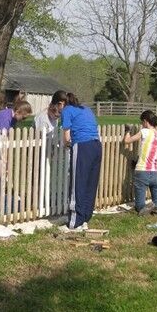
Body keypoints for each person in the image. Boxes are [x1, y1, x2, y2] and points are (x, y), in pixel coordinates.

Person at [60, 93, 102, 230]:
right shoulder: (86, 109)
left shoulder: (67, 110)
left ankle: (74, 222)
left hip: (82, 146)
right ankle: (85, 217)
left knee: (78, 183)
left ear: (62, 103)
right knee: (90, 183)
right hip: (96, 146)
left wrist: (66, 145)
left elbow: (67, 137)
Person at [124, 110, 157, 216]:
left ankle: (144, 209)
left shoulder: (144, 131)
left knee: (139, 205)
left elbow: (127, 141)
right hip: (155, 172)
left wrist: (127, 131)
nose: (141, 124)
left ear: (145, 121)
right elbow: (154, 153)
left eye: (142, 122)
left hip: (142, 170)